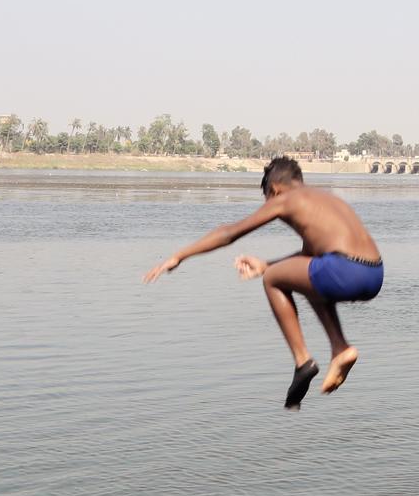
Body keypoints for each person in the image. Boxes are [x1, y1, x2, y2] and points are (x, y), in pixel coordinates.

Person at [142, 157, 382, 409]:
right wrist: (267, 264)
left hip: (343, 270)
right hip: (373, 274)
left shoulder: (284, 198)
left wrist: (179, 256)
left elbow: (229, 233)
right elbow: (309, 260)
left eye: (268, 198)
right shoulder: (326, 200)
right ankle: (340, 348)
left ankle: (303, 362)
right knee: (304, 277)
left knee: (272, 281)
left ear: (274, 190)